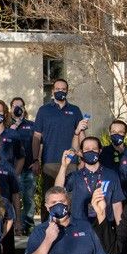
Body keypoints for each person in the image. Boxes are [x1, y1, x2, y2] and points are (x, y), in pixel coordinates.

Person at [56, 136, 124, 252]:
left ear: (100, 151)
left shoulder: (111, 175)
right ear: (81, 152)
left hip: (104, 226)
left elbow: (117, 205)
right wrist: (64, 166)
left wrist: (120, 231)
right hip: (79, 227)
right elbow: (57, 191)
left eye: (94, 148)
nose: (90, 151)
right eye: (87, 149)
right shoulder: (76, 176)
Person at [32, 79, 87, 215]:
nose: (60, 91)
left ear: (67, 91)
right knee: (49, 197)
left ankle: (70, 228)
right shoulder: (44, 110)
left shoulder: (75, 110)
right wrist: (35, 159)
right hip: (49, 162)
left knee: (69, 199)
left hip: (71, 163)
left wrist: (84, 158)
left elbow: (81, 135)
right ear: (52, 91)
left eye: (63, 89)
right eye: (57, 89)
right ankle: (47, 229)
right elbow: (37, 137)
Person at [5, 97, 37, 234]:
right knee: (12, 198)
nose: (17, 109)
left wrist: (37, 161)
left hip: (28, 167)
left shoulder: (32, 125)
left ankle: (27, 225)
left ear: (24, 108)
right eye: (14, 106)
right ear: (10, 109)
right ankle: (12, 224)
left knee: (28, 198)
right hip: (11, 169)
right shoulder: (6, 126)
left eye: (20, 106)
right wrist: (14, 126)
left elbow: (38, 144)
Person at [101, 119, 127, 201]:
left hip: (126, 203)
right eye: (113, 132)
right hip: (104, 202)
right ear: (110, 133)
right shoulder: (102, 152)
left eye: (120, 132)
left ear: (125, 134)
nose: (116, 134)